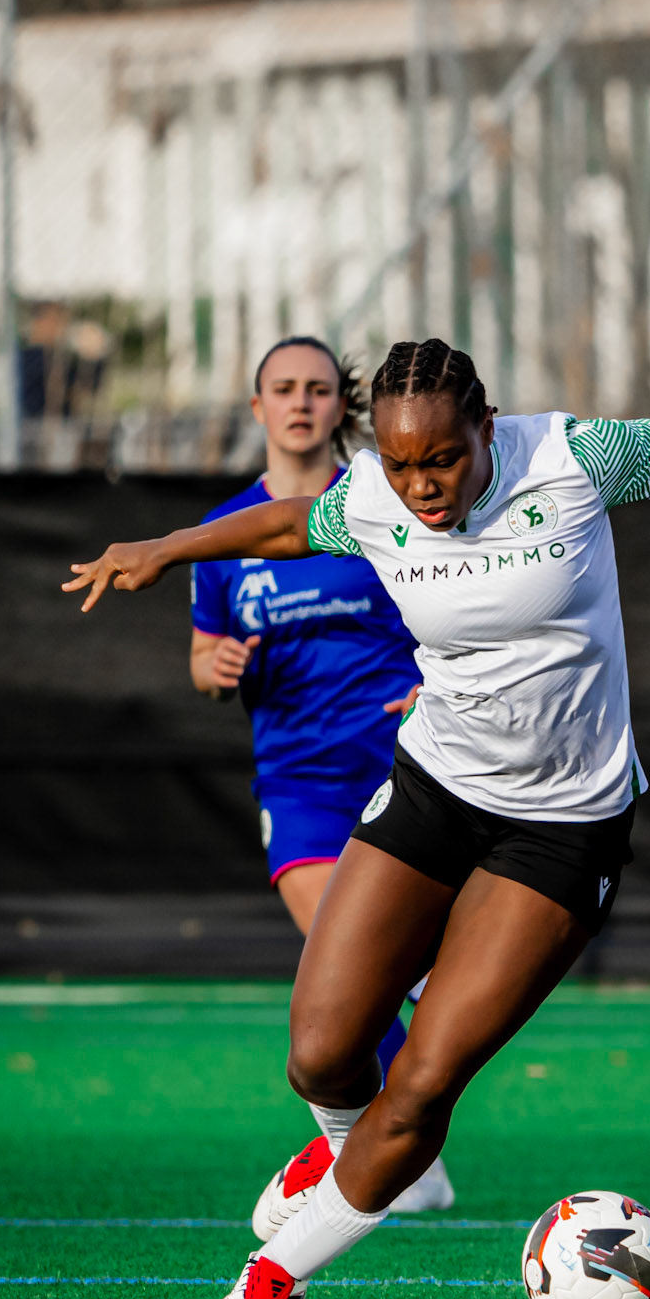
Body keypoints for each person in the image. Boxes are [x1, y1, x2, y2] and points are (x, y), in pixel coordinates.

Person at [63, 336, 650, 1299]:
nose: (422, 486)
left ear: (486, 429)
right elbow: (286, 526)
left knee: (421, 1084)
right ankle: (351, 1155)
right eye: (404, 465)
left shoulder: (573, 457)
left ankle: (274, 1277)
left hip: (565, 827)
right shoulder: (372, 496)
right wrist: (162, 547)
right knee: (322, 1053)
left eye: (443, 459)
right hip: (434, 789)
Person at [188, 335, 453, 1225]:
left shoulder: (380, 505)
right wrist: (214, 663)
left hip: (399, 768)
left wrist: (435, 681)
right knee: (341, 959)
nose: (299, 403)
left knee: (379, 965)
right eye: (280, 389)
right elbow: (199, 653)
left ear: (339, 407)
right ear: (257, 407)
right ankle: (392, 1153)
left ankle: (401, 1150)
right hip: (296, 782)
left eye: (315, 389)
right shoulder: (226, 533)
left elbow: (449, 607)